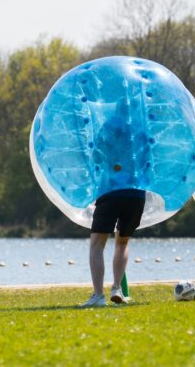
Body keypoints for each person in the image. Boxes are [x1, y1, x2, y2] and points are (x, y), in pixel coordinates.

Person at [81, 113, 146, 308]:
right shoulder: (140, 130)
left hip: (111, 190)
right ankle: (117, 288)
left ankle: (98, 295)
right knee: (123, 242)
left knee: (97, 244)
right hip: (136, 194)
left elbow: (96, 157)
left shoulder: (108, 127)